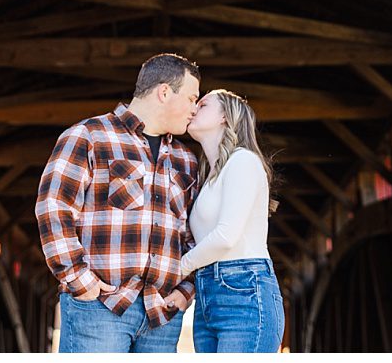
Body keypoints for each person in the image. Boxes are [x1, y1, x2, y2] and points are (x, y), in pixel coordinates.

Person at [35, 53, 202, 353]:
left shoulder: (185, 161)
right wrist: (78, 278)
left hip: (162, 313)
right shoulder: (88, 136)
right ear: (164, 92)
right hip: (100, 308)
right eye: (191, 98)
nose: (194, 109)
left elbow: (191, 234)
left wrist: (185, 291)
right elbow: (53, 208)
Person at [180, 89, 285, 353]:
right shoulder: (210, 175)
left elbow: (226, 236)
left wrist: (178, 268)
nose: (193, 109)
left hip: (244, 290)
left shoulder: (244, 161)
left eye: (202, 104)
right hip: (208, 292)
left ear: (225, 116)